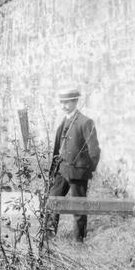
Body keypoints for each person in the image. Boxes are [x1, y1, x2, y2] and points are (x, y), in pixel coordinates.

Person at [47, 88, 101, 242]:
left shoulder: (85, 122)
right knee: (53, 201)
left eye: (68, 102)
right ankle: (50, 237)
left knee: (79, 207)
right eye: (62, 103)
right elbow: (58, 148)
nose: (64, 106)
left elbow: (94, 151)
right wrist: (54, 170)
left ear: (76, 101)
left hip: (78, 172)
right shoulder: (63, 122)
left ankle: (79, 240)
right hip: (62, 170)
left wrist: (87, 170)